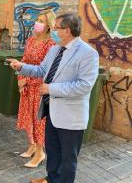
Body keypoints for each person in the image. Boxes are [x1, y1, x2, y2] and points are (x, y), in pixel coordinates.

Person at [8, 13, 99, 183]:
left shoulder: (88, 54)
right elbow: (42, 70)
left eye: (57, 28)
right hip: (51, 112)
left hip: (71, 118)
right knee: (53, 151)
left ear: (68, 30)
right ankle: (51, 179)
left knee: (67, 159)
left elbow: (84, 86)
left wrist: (51, 89)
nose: (54, 31)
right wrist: (22, 67)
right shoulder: (55, 49)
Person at [17, 10, 56, 168]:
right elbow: (24, 60)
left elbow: (47, 70)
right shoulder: (31, 40)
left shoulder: (51, 44)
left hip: (39, 88)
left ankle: (40, 153)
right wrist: (21, 78)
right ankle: (32, 145)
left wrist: (28, 79)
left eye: (42, 21)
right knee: (28, 117)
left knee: (39, 121)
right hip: (27, 86)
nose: (38, 23)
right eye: (38, 20)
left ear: (48, 25)